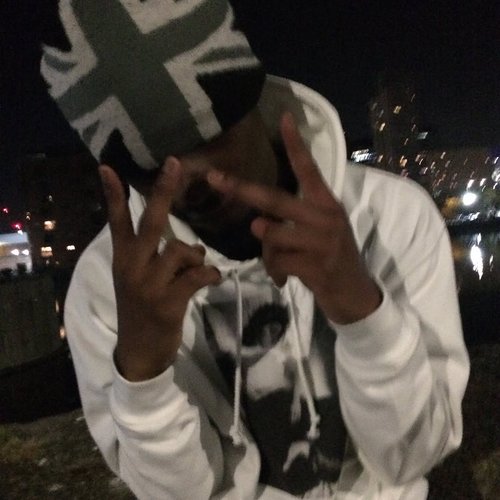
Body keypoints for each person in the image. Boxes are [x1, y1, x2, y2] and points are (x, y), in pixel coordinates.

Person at [41, 1, 469, 499]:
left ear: (257, 107)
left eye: (208, 137)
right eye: (154, 169)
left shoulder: (391, 216)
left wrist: (363, 313)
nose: (189, 183)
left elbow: (409, 461)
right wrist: (143, 377)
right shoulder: (109, 286)